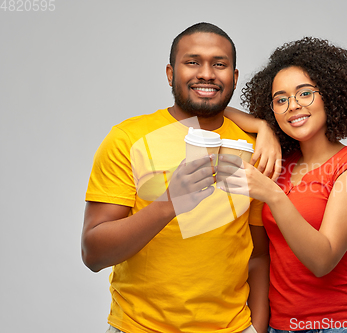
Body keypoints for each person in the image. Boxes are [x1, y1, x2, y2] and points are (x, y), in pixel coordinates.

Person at [81, 22, 280, 333]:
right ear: (171, 73)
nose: (206, 73)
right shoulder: (128, 138)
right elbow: (93, 254)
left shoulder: (254, 149)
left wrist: (258, 328)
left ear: (234, 77)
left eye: (219, 64)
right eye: (192, 62)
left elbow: (258, 255)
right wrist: (167, 205)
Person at [218, 37, 347, 333]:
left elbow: (322, 260)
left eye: (304, 94)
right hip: (279, 326)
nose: (293, 106)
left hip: (340, 325)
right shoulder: (281, 163)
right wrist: (262, 126)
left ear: (331, 95)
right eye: (281, 100)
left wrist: (272, 194)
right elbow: (216, 110)